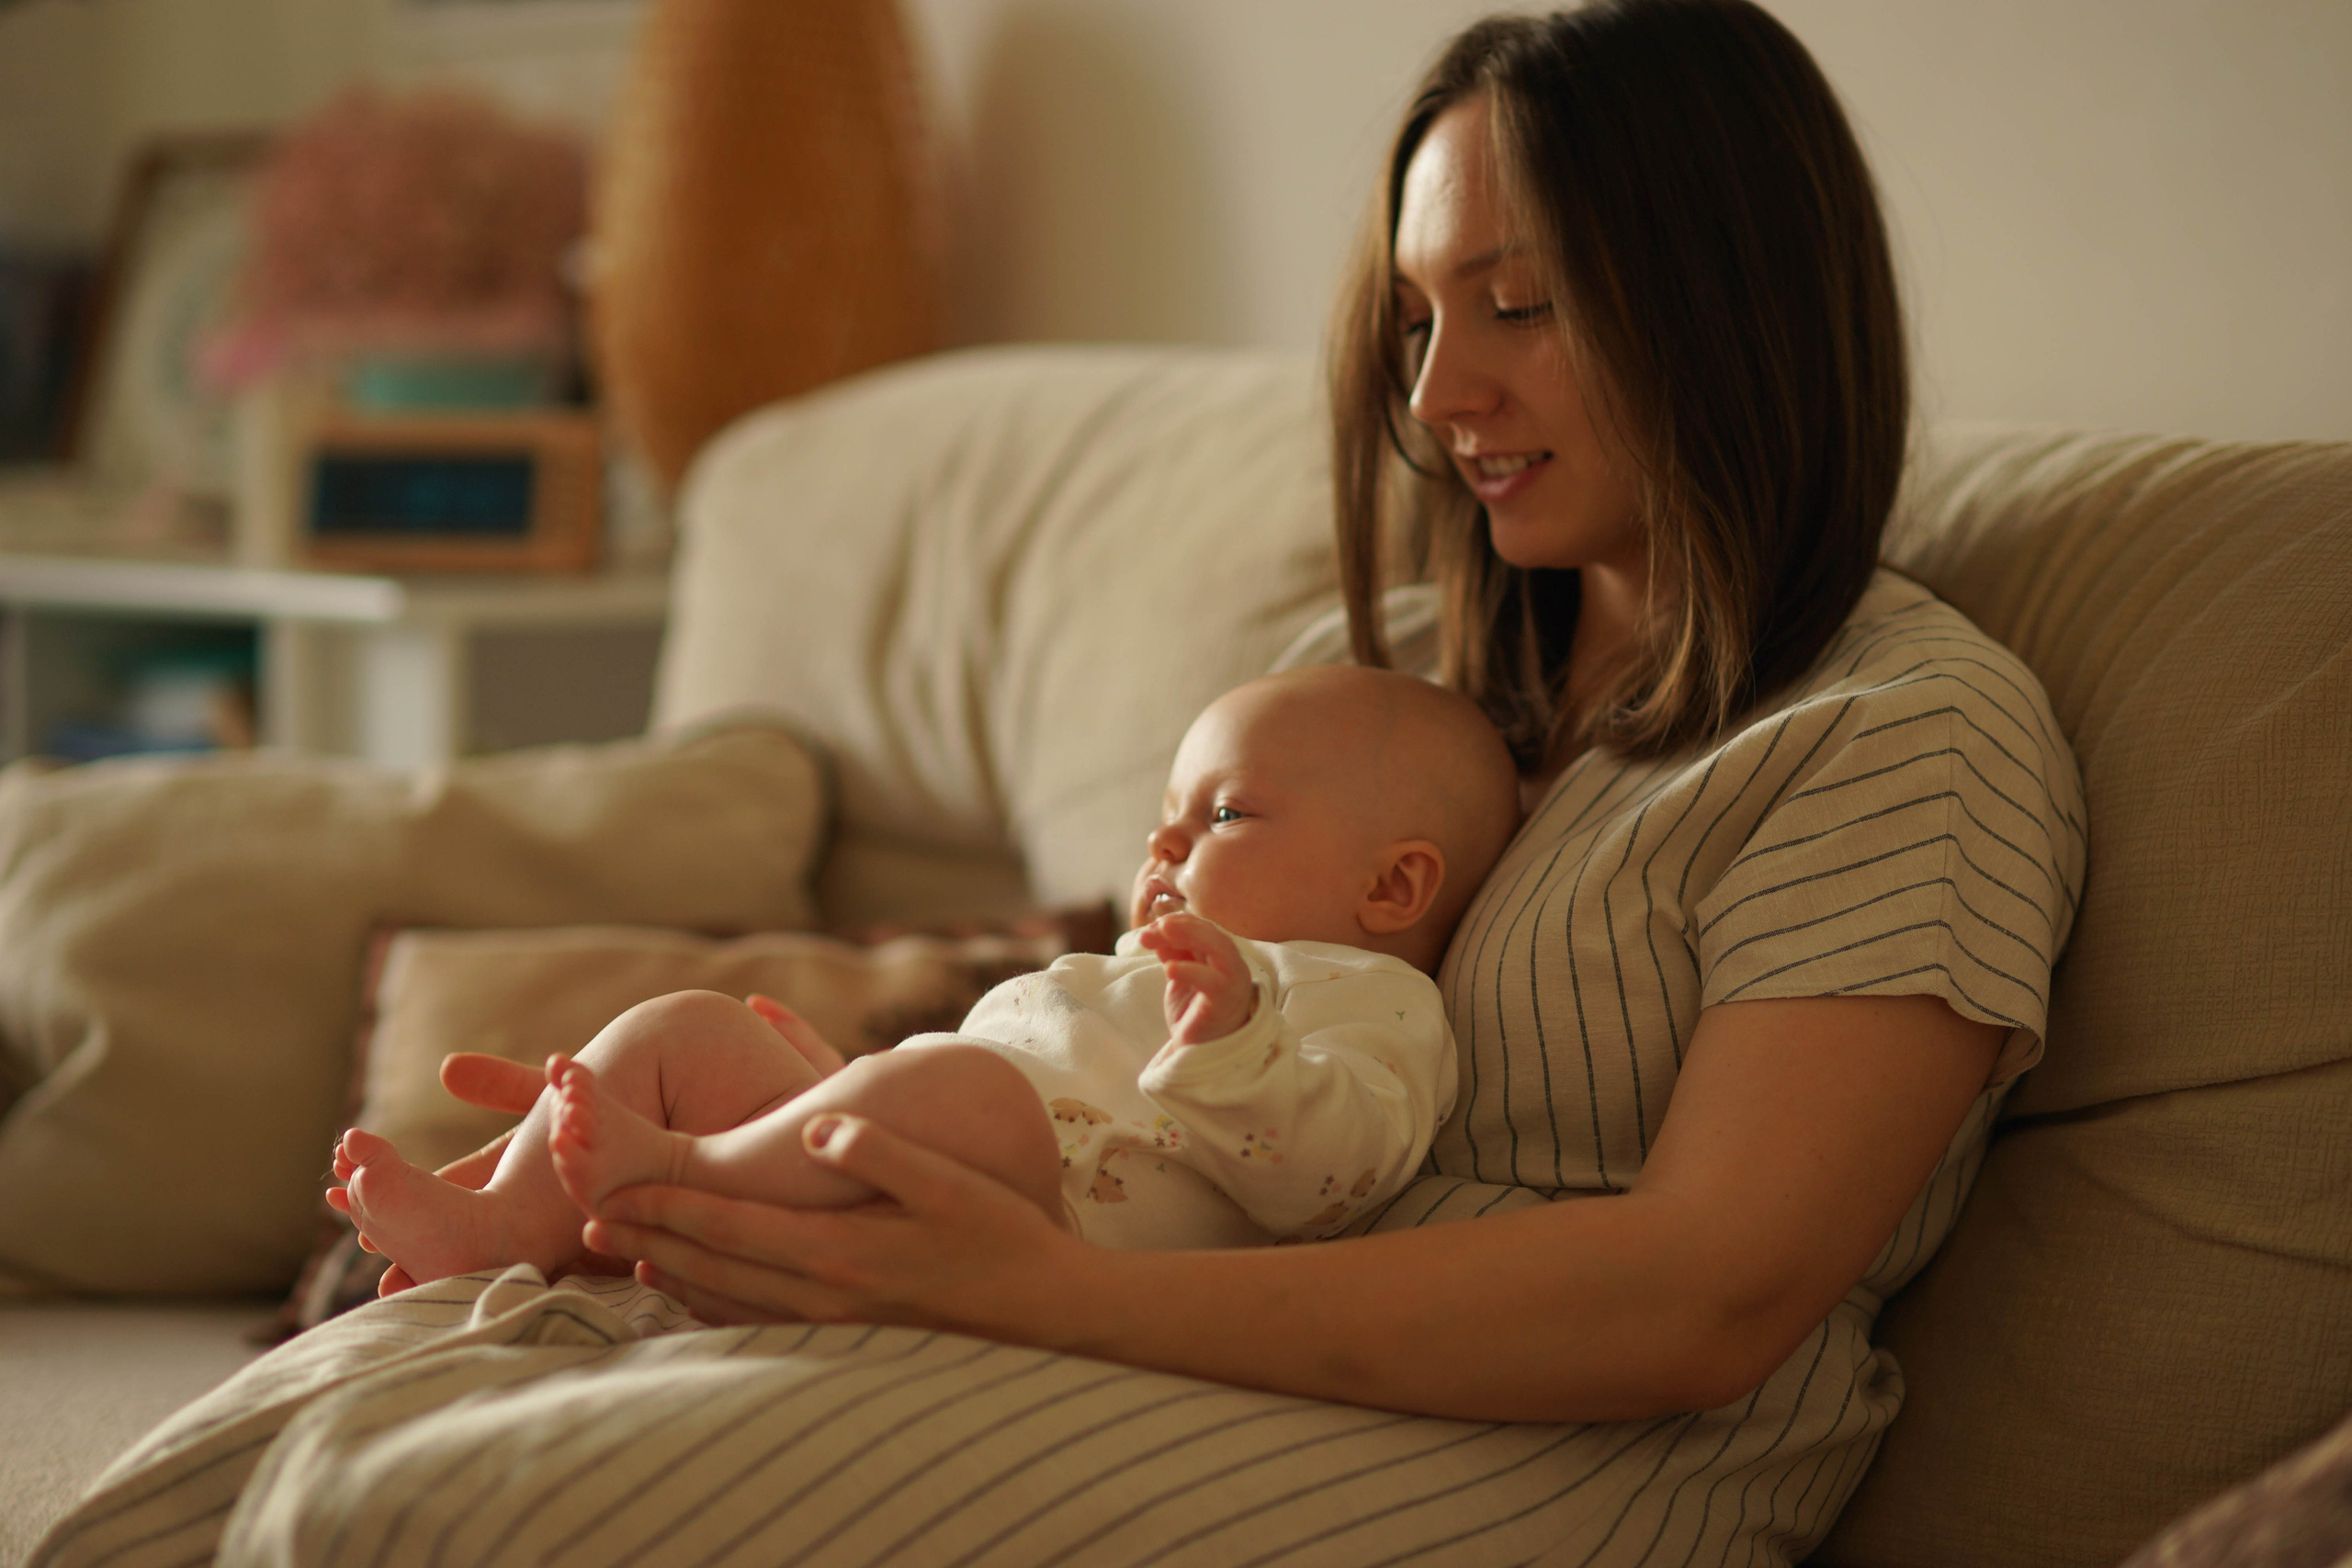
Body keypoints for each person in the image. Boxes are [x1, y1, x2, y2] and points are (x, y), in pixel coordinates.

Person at [314, 4, 2087, 1562]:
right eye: (1413, 319)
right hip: (1125, 1301)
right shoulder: (1384, 674)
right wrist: (825, 1147)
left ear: (1732, 304)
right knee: (361, 1407)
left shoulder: (1900, 737)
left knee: (444, 1513)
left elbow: (1705, 1297)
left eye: (1521, 305)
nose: (1440, 392)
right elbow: (1117, 1045)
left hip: (1558, 1448)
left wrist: (1066, 1299)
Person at [328, 664, 1522, 1283]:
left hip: (1045, 1236)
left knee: (959, 1093)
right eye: (1163, 817)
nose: (1163, 848)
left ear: (1393, 890)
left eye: (1224, 813)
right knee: (681, 1029)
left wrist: (1234, 1037)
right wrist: (834, 1082)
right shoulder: (1126, 973)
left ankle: (681, 1178)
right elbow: (994, 1082)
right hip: (928, 1145)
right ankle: (511, 1224)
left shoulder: (1369, 1004)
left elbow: (1334, 1175)